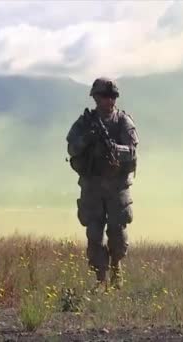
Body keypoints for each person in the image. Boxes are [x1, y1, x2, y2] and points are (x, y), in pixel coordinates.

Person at [66, 77, 139, 291]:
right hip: (93, 186)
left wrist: (115, 149)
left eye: (111, 97)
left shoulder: (123, 121)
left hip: (117, 187)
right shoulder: (85, 123)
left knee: (117, 233)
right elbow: (72, 148)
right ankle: (101, 278)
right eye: (104, 97)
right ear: (95, 98)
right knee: (94, 235)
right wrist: (86, 139)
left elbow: (133, 151)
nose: (108, 101)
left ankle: (116, 267)